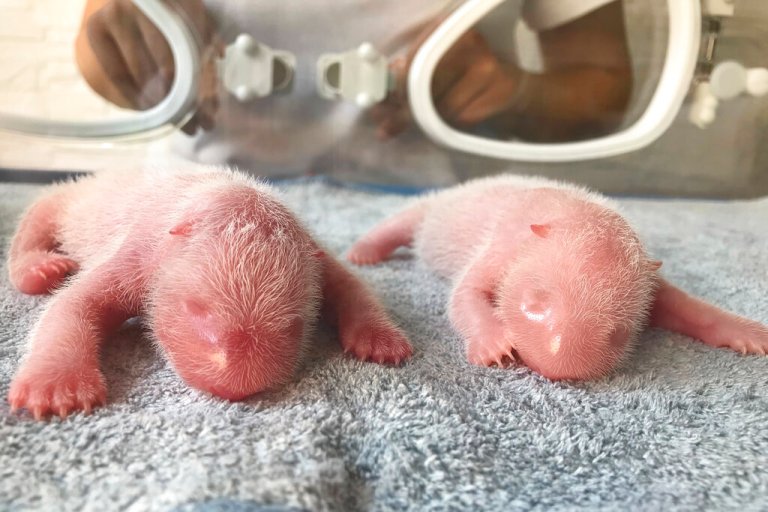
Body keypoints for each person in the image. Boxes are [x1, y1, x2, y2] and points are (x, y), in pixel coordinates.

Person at [75, 0, 632, 186]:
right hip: (193, 198)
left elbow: (604, 91)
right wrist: (131, 37)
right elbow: (102, 60)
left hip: (428, 210)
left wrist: (512, 91)